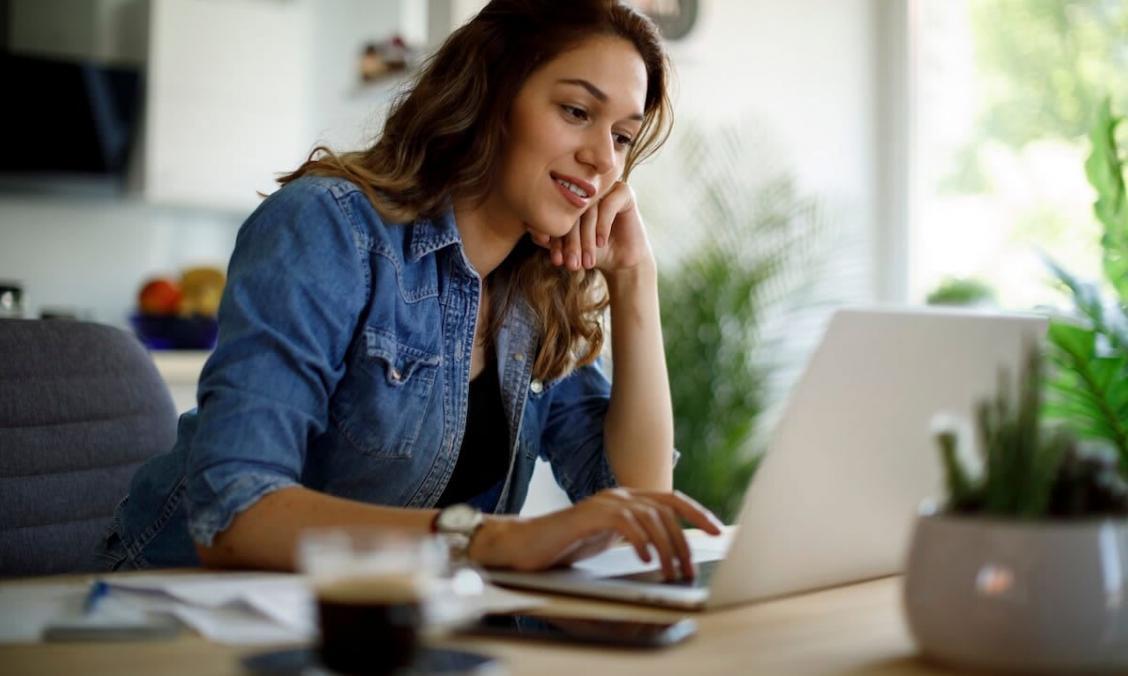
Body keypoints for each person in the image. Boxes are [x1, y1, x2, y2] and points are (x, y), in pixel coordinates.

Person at [96, 0, 722, 582]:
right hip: (186, 617)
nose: (604, 162)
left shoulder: (537, 288)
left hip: (392, 626)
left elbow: (635, 505)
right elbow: (234, 509)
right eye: (577, 112)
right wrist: (485, 541)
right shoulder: (329, 228)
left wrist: (635, 280)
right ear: (493, 95)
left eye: (621, 137)